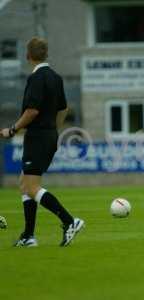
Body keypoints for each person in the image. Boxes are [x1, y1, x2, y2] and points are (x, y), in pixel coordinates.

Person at [0, 37, 84, 247]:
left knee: (31, 186)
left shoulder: (36, 78)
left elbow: (32, 110)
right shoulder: (56, 77)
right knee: (24, 183)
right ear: (46, 54)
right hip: (49, 135)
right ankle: (28, 236)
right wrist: (52, 129)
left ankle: (69, 221)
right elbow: (63, 108)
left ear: (28, 56)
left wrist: (12, 130)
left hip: (37, 137)